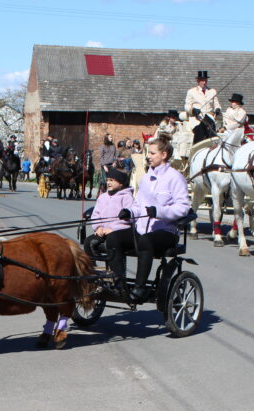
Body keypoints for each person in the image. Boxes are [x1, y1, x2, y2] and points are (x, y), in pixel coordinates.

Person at [106, 135, 190, 304]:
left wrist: (158, 211)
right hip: (142, 228)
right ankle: (118, 284)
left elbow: (183, 208)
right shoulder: (145, 178)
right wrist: (129, 212)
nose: (148, 156)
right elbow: (138, 205)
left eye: (152, 153)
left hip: (165, 231)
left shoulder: (175, 177)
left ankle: (140, 287)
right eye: (147, 153)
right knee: (114, 238)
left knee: (145, 241)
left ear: (164, 154)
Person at [83, 165, 134, 268]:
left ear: (121, 183)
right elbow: (96, 214)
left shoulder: (127, 197)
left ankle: (116, 273)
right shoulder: (102, 197)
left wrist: (113, 229)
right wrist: (98, 227)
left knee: (113, 242)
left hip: (119, 232)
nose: (108, 182)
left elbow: (129, 219)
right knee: (88, 242)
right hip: (103, 232)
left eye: (112, 180)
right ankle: (93, 269)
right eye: (107, 180)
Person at [184, 70, 221, 144]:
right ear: (198, 81)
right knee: (199, 130)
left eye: (205, 80)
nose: (204, 82)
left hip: (209, 118)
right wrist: (193, 110)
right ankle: (196, 149)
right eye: (202, 80)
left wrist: (217, 109)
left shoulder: (212, 91)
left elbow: (216, 104)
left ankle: (214, 147)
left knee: (212, 132)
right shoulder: (191, 91)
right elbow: (186, 105)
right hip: (197, 119)